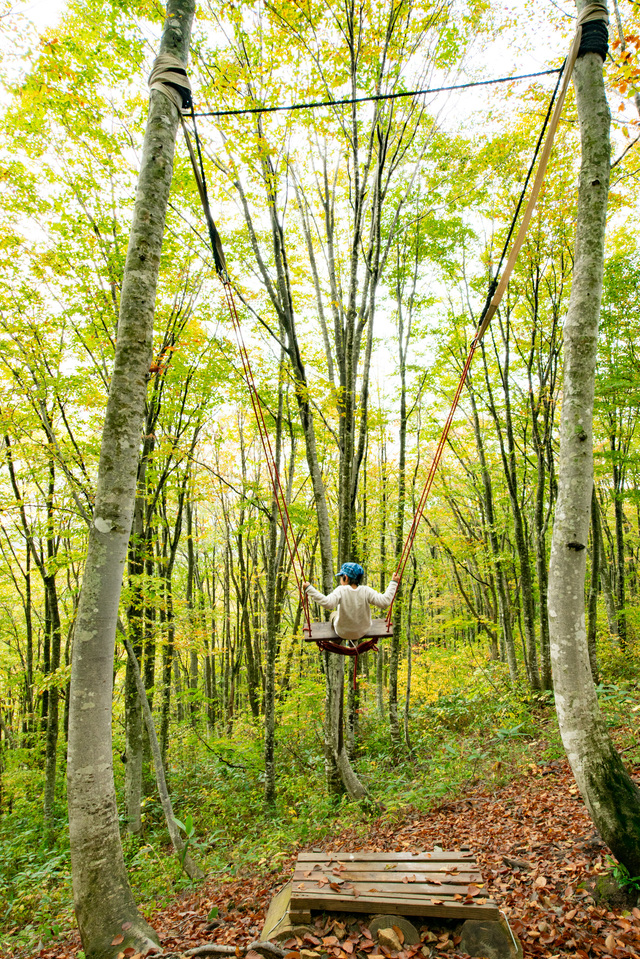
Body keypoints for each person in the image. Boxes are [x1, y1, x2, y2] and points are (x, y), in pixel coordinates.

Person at [303, 562, 401, 641]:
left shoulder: (341, 590)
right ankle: (354, 640)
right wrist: (393, 583)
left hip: (342, 632)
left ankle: (337, 641)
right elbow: (385, 602)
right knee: (355, 617)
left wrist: (309, 589)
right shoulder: (366, 591)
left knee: (333, 614)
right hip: (363, 631)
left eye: (341, 577)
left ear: (345, 577)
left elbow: (328, 603)